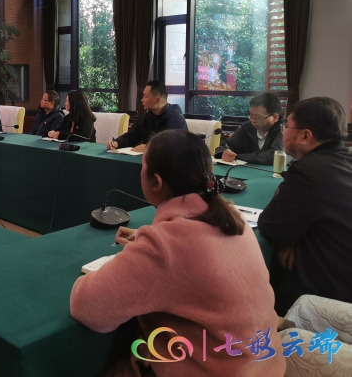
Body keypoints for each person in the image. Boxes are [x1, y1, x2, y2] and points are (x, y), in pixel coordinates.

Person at [70, 129, 285, 377]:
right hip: (265, 364)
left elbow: (88, 308)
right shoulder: (234, 218)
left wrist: (148, 250)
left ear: (156, 182)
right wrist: (144, 244)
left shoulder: (165, 246)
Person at [258, 97, 352, 315]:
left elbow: (271, 226)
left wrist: (289, 237)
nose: (283, 132)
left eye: (286, 125)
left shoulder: (308, 172)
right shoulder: (345, 160)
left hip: (329, 296)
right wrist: (294, 237)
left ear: (305, 136)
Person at [107, 80, 186, 153]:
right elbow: (131, 136)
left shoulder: (176, 118)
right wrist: (116, 143)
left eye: (145, 96)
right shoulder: (146, 118)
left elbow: (178, 147)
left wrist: (151, 148)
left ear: (157, 100)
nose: (142, 100)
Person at [214, 92, 284, 165]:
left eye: (258, 117)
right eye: (251, 115)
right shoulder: (247, 127)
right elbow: (225, 145)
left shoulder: (284, 130)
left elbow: (275, 156)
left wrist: (237, 157)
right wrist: (224, 152)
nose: (253, 119)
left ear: (275, 117)